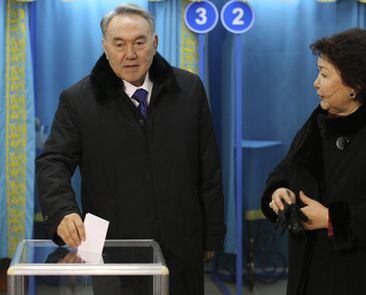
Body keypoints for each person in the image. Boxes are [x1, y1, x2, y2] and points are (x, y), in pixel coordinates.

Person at [36, 4, 226, 294]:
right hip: (115, 251)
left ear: (155, 43)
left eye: (139, 42)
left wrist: (211, 235)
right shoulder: (77, 101)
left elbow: (208, 166)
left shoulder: (189, 89)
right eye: (119, 44)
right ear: (105, 47)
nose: (131, 54)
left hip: (181, 244)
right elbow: (53, 162)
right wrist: (62, 210)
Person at [261, 28, 366, 295]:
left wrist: (333, 218)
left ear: (355, 87)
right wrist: (278, 190)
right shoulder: (318, 122)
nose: (315, 83)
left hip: (357, 279)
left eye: (324, 74)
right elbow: (286, 169)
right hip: (305, 277)